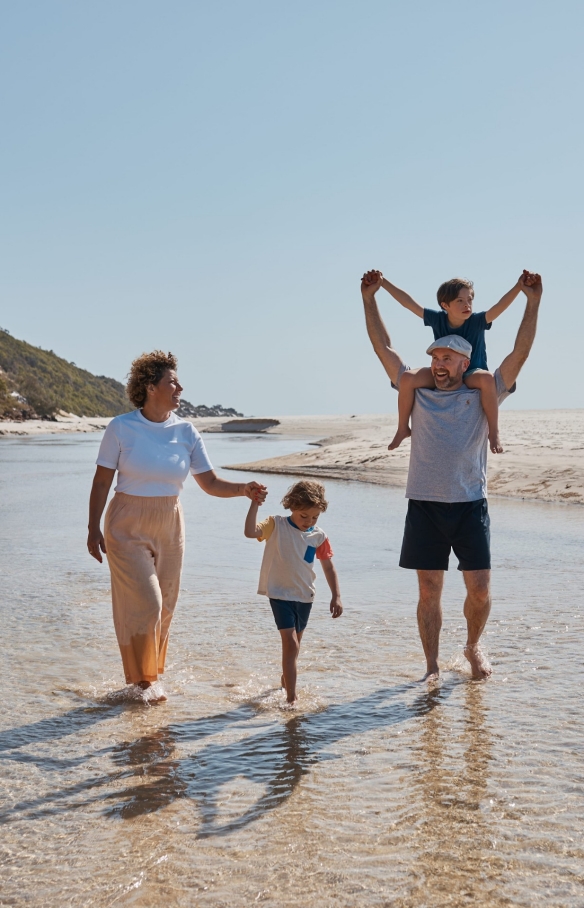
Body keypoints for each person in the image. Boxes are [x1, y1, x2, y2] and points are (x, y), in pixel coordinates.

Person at [360, 270, 542, 681]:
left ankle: (473, 644)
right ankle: (431, 666)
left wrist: (532, 303)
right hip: (424, 505)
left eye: (446, 359)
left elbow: (520, 352)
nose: (437, 365)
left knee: (478, 589)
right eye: (434, 358)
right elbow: (382, 347)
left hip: (470, 505)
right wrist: (369, 299)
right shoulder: (418, 390)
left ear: (465, 363)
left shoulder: (485, 390)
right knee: (429, 591)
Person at [87, 350, 267, 703]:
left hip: (170, 522)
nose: (179, 387)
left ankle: (148, 677)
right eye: (172, 381)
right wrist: (92, 527)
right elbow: (100, 482)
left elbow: (210, 482)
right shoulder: (121, 427)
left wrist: (243, 490)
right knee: (147, 602)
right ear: (151, 387)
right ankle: (143, 682)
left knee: (166, 606)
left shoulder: (186, 431)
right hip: (126, 523)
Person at [363, 270, 539, 454]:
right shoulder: (438, 319)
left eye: (470, 299)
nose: (467, 305)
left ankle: (493, 432)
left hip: (472, 373)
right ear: (445, 305)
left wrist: (519, 287)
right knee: (407, 378)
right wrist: (383, 283)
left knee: (487, 379)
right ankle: (402, 428)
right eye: (460, 301)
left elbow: (499, 307)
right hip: (443, 372)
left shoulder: (477, 321)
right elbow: (408, 303)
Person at [244, 480, 343, 706]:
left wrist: (336, 595)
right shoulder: (275, 524)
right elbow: (250, 532)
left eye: (315, 517)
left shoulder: (318, 536)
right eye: (303, 516)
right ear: (291, 506)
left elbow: (328, 566)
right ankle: (292, 698)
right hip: (279, 594)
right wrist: (254, 504)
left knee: (295, 645)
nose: (309, 522)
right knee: (291, 644)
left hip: (305, 596)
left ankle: (285, 679)